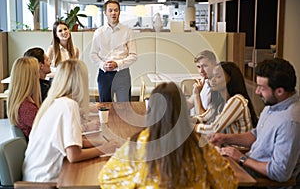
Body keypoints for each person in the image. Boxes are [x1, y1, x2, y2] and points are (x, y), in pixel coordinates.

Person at [99, 82, 238, 188]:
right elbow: (228, 182)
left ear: (151, 110)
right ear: (184, 111)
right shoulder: (200, 146)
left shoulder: (139, 145)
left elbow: (106, 178)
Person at [22, 60, 117, 182]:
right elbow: (74, 155)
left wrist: (99, 142)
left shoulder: (53, 102)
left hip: (33, 176)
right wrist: (106, 148)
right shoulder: (68, 105)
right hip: (43, 181)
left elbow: (71, 142)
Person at [210, 58, 300, 182]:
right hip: (247, 167)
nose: (257, 92)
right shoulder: (273, 105)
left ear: (280, 91)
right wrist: (225, 138)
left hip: (259, 181)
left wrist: (241, 158)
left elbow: (279, 173)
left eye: (261, 88)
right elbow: (256, 135)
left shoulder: (290, 122)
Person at [90, 0, 137, 102]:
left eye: (116, 10)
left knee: (124, 109)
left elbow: (133, 55)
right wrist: (103, 65)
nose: (113, 13)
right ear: (105, 13)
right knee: (105, 108)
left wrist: (117, 63)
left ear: (119, 12)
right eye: (110, 10)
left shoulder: (128, 32)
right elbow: (93, 54)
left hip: (122, 73)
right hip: (104, 74)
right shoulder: (98, 32)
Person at [194, 62, 258, 134]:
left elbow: (214, 129)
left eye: (218, 76)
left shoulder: (238, 101)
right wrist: (187, 121)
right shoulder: (219, 101)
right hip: (223, 144)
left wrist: (191, 126)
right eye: (211, 76)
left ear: (230, 79)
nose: (212, 80)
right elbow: (203, 118)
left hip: (235, 145)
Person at [7, 57, 41, 140]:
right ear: (31, 77)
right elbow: (49, 130)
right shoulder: (27, 108)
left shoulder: (23, 103)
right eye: (37, 72)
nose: (39, 75)